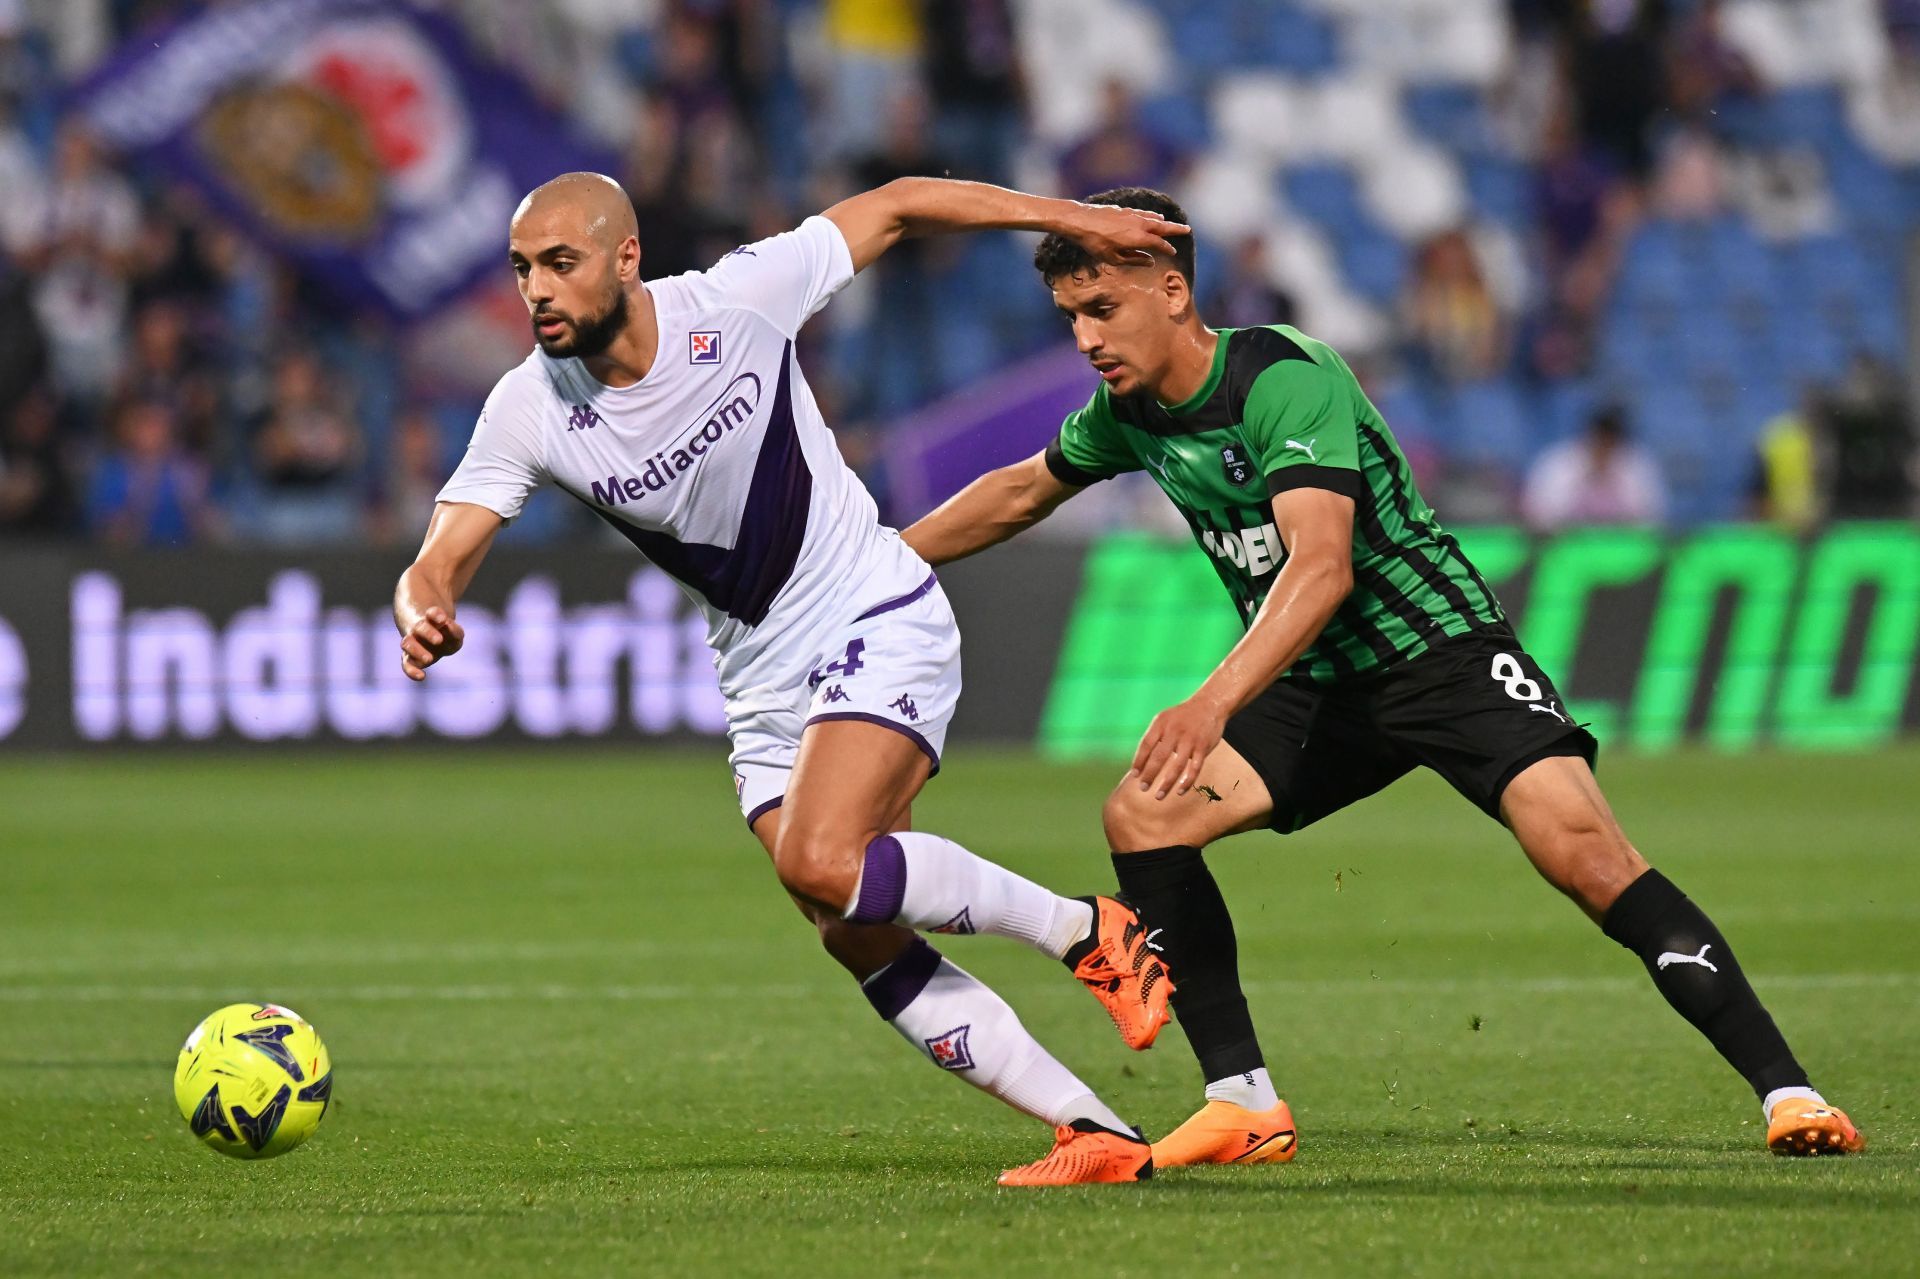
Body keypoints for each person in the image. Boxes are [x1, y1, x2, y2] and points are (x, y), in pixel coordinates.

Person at [902, 186, 1865, 1167]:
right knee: (1142, 814)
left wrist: (1210, 702)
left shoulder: (1284, 376)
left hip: (1436, 653)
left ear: (1173, 289)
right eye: (1071, 317)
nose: (1085, 339)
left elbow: (1323, 569)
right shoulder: (1130, 413)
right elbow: (1022, 489)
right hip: (1317, 687)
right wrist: (888, 561)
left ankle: (1790, 1091)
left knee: (1586, 854)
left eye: (1101, 309)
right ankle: (1242, 1101)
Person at [393, 172, 1184, 1186]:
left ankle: (1088, 928)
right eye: (521, 270)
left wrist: (1070, 217)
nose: (537, 290)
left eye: (560, 263)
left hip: (871, 605)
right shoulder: (530, 408)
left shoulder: (738, 299)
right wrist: (423, 601)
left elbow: (896, 203)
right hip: (761, 677)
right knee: (850, 926)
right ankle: (1094, 1130)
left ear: (625, 259)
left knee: (819, 859)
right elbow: (442, 548)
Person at [1520, 404, 1667, 531]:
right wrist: (1584, 480)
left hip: (1621, 544)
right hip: (1566, 543)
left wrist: (1613, 481)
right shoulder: (1557, 462)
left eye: (1609, 443)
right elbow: (1541, 516)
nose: (1603, 448)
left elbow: (1652, 517)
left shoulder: (1638, 464)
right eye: (1599, 441)